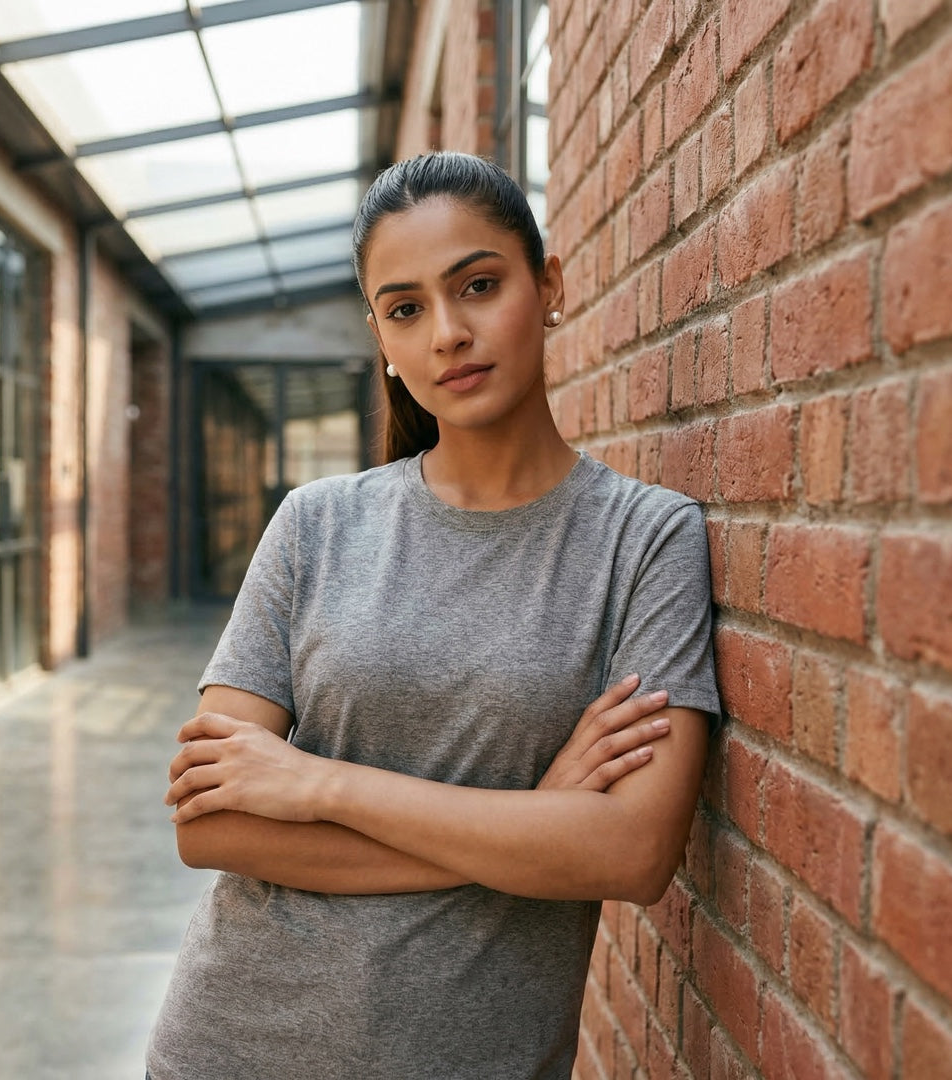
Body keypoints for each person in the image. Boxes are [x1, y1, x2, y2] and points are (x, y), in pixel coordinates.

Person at [146, 151, 720, 1080]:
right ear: (382, 336)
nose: (449, 334)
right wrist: (535, 824)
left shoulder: (645, 539)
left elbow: (632, 850)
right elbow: (209, 825)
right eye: (407, 309)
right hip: (232, 1046)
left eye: (479, 286)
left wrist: (320, 786)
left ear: (549, 287)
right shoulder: (316, 525)